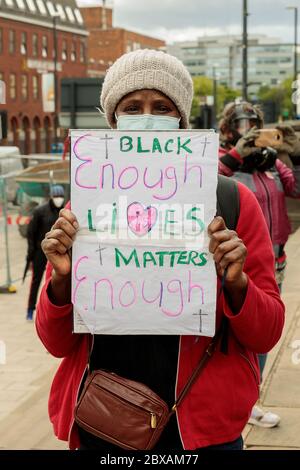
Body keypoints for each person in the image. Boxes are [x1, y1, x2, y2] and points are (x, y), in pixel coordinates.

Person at [36, 49, 284, 451]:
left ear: (181, 120)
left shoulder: (233, 203)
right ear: (113, 121)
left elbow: (268, 332)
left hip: (202, 431)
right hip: (102, 420)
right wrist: (61, 282)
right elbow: (55, 343)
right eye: (132, 106)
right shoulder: (85, 207)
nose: (146, 116)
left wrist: (237, 284)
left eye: (162, 106)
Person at [218, 101, 300, 427]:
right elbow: (204, 183)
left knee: (263, 333)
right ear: (229, 127)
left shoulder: (270, 164)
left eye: (253, 122)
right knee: (234, 336)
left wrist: (293, 155)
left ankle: (250, 398)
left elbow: (296, 188)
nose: (247, 127)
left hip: (275, 259)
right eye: (240, 122)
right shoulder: (225, 159)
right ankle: (243, 400)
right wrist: (237, 154)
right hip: (235, 263)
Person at [25, 185, 65, 321]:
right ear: (51, 197)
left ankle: (51, 314)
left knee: (55, 282)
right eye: (56, 196)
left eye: (61, 197)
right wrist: (30, 254)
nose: (59, 199)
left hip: (59, 253)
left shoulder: (65, 211)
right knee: (36, 280)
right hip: (40, 253)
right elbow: (31, 233)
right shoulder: (40, 211)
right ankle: (30, 309)